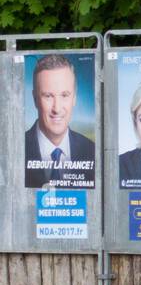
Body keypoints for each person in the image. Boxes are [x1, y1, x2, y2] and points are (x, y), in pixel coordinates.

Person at [24, 54, 96, 188]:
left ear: (74, 97)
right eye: (48, 96)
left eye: (64, 95)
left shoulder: (92, 151)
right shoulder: (16, 149)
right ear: (35, 99)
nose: (57, 108)